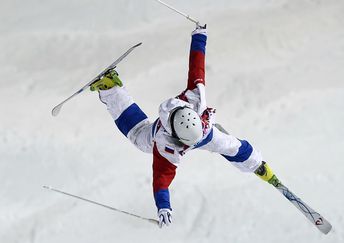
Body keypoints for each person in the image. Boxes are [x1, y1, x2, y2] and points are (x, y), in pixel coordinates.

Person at [90, 25, 274, 228]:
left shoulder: (195, 99)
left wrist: (199, 35)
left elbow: (197, 66)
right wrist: (163, 206)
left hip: (206, 133)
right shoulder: (164, 144)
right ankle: (110, 87)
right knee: (139, 137)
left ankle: (257, 165)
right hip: (166, 137)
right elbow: (161, 180)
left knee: (229, 145)